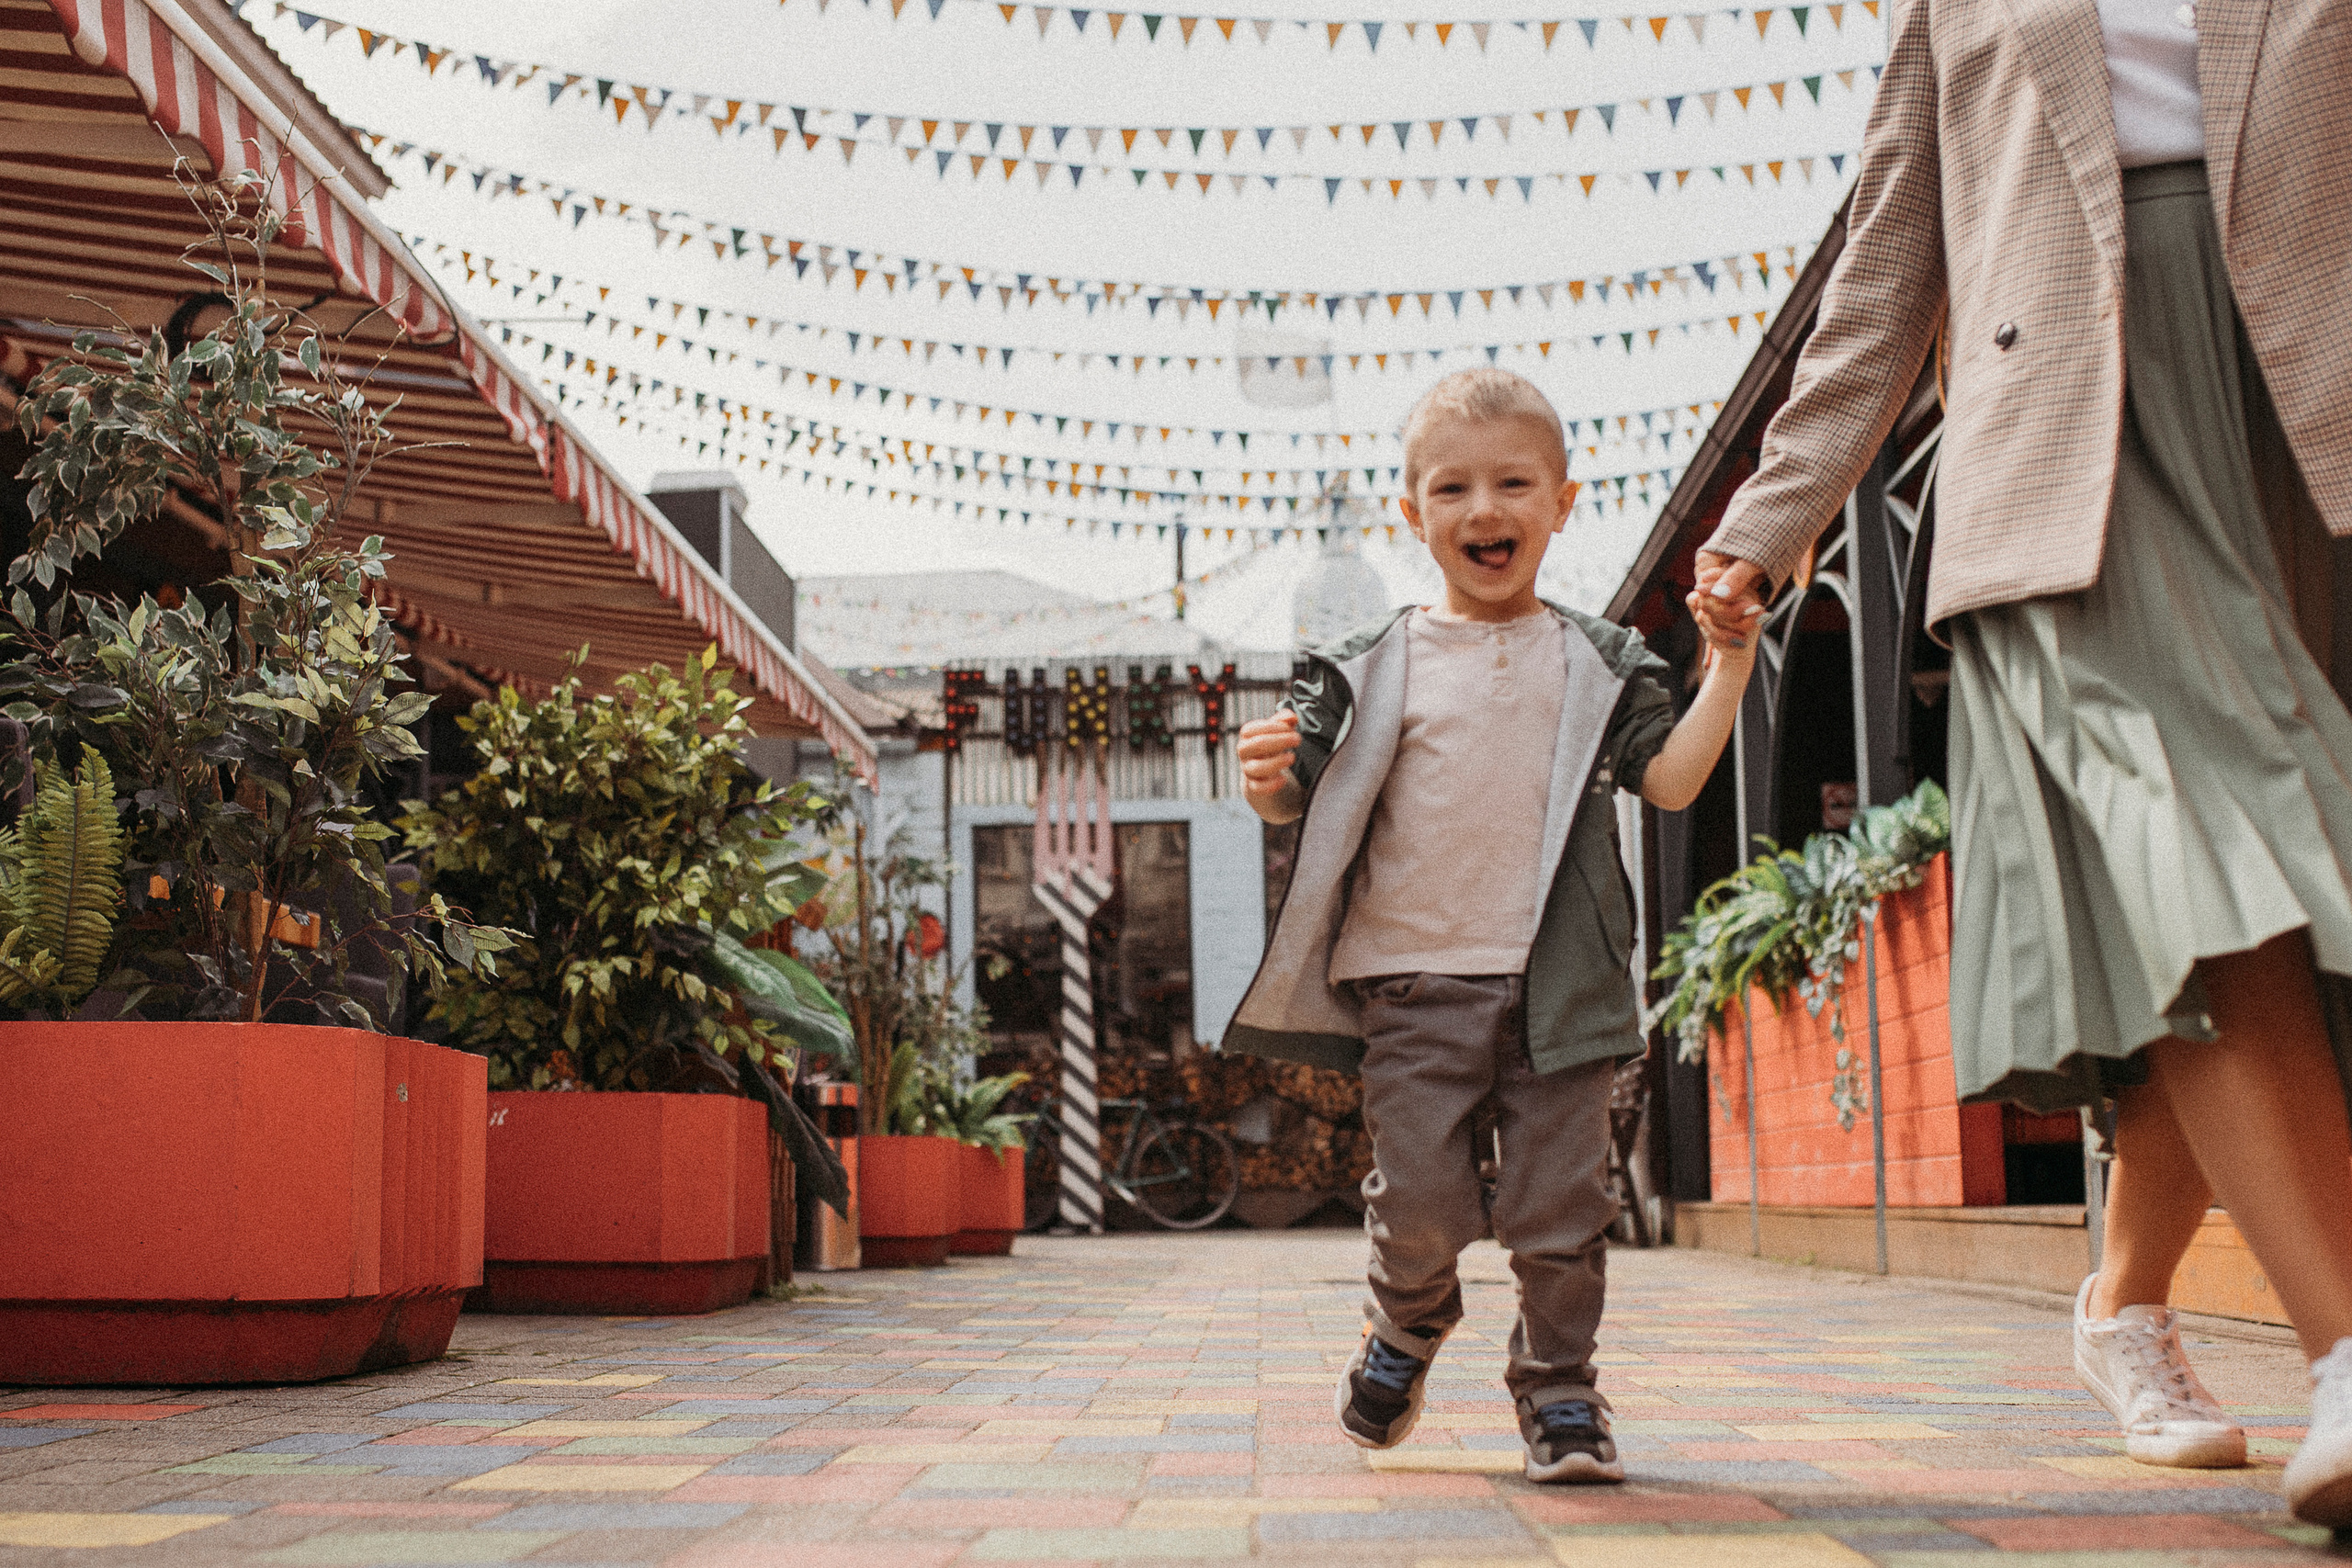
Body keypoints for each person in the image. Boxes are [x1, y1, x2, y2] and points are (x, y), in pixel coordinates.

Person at [1686, 0, 2352, 1526]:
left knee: (2291, 895)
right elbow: (1886, 266)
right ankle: (2346, 1358)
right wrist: (1774, 518)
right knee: (2209, 842)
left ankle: (2123, 1299)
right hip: (2068, 455)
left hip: (2307, 416)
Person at [1222, 368, 1763, 1483]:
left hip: (1561, 993)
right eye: (1453, 488)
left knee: (1559, 1212)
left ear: (1561, 502)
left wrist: (1732, 665)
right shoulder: (1372, 663)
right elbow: (1301, 797)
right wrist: (1267, 783)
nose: (1484, 510)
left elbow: (1667, 783)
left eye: (1513, 483)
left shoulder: (1598, 662)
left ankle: (1561, 1394)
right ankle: (1407, 1324)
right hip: (1412, 987)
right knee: (1419, 1205)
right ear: (1412, 513)